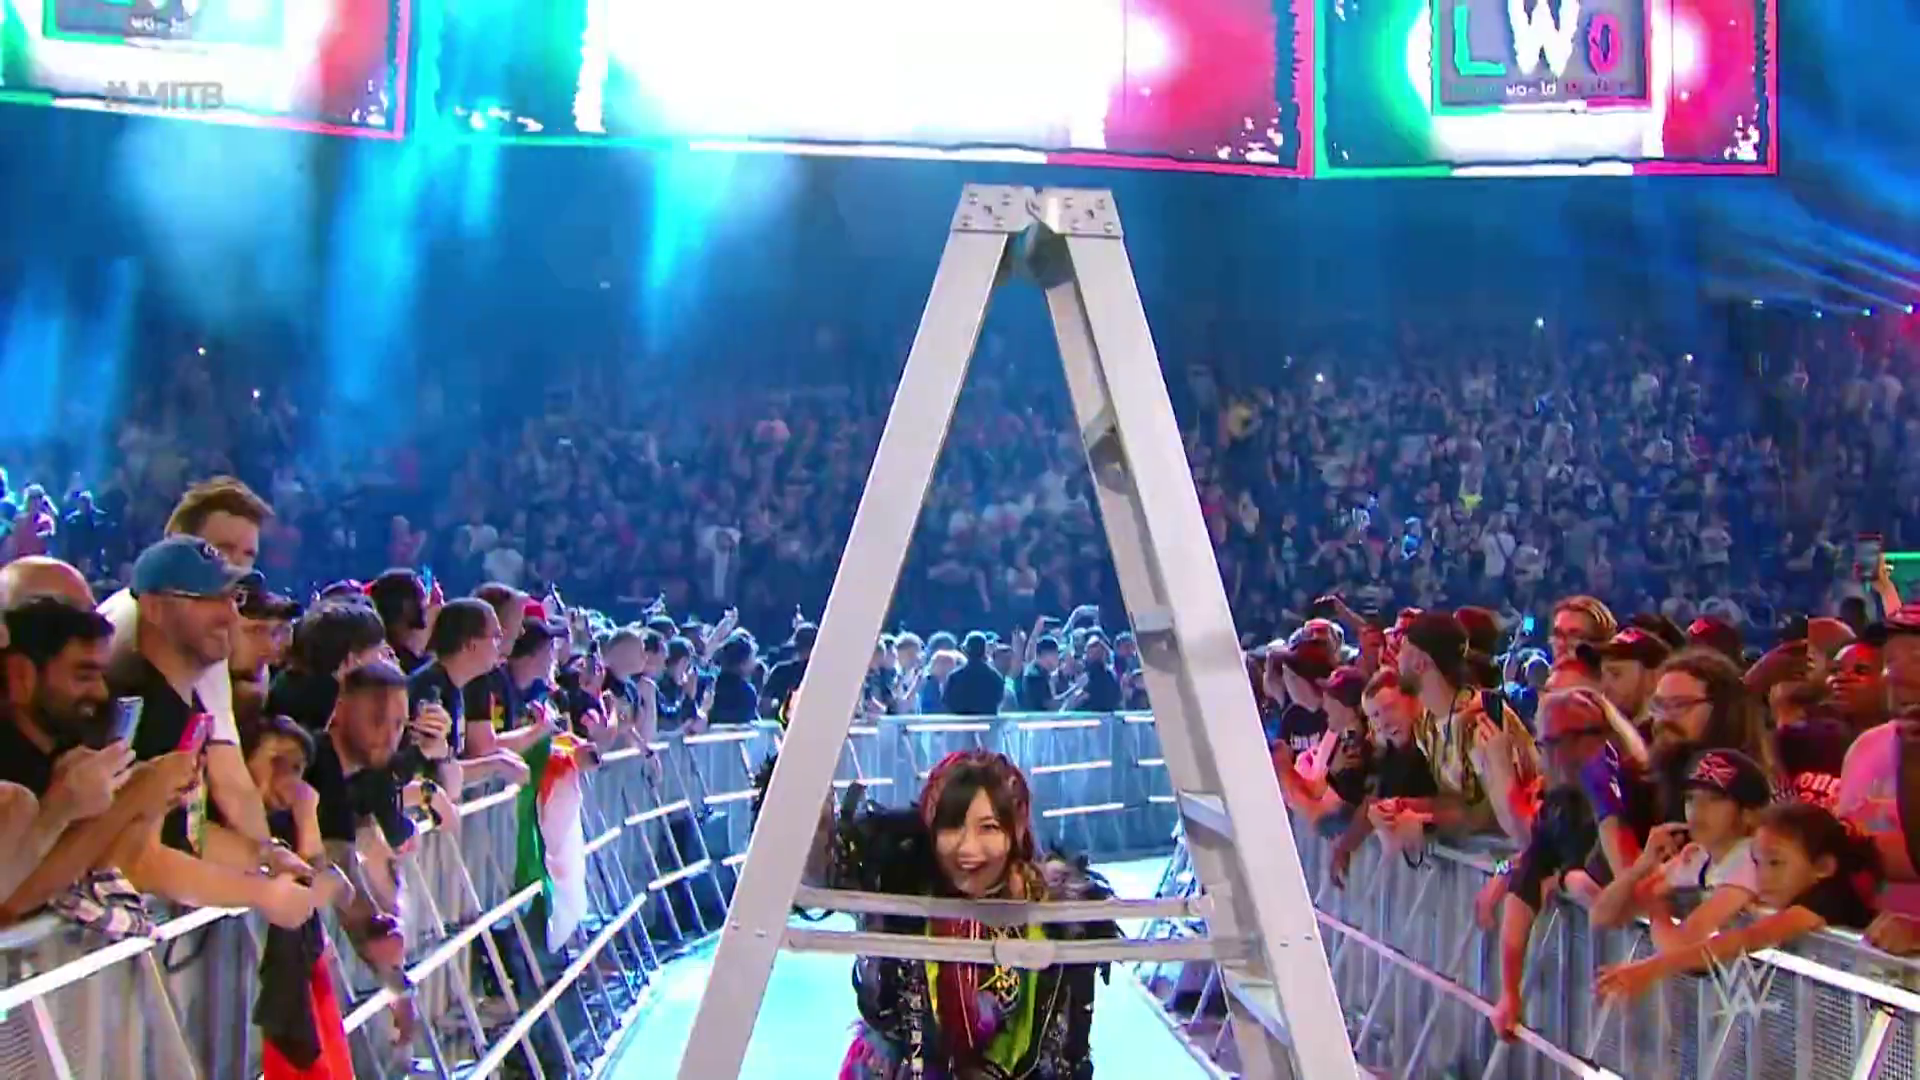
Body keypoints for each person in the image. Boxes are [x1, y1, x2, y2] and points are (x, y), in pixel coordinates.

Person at [775, 748, 1118, 1079]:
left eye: (988, 827)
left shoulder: (1059, 915)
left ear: (1014, 832)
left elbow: (1070, 1056)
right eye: (952, 827)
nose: (968, 849)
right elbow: (814, 872)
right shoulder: (895, 884)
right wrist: (805, 776)